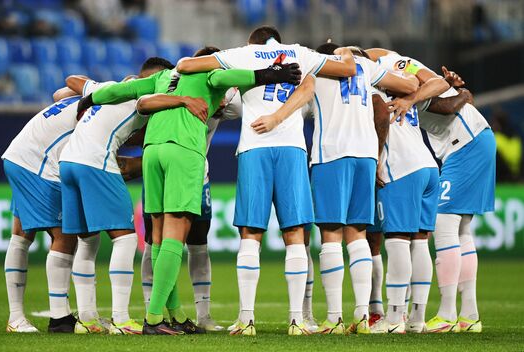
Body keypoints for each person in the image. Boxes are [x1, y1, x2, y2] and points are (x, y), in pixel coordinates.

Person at [79, 54, 302, 335]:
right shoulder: (210, 74)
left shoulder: (162, 77)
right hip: (184, 150)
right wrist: (272, 74)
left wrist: (90, 99)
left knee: (158, 237)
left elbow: (123, 90)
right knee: (175, 232)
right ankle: (154, 318)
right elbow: (234, 78)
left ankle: (175, 315)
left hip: (152, 151)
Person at [176, 25, 358, 336]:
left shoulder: (243, 54)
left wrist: (231, 74)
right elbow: (348, 69)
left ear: (253, 41)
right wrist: (344, 51)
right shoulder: (300, 52)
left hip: (254, 148)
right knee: (295, 234)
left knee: (250, 235)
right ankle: (297, 321)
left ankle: (246, 320)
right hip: (291, 148)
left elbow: (184, 66)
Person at [306, 44, 418, 335]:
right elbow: (408, 84)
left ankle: (334, 318)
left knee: (331, 235)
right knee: (357, 236)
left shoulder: (318, 66)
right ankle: (361, 316)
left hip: (332, 153)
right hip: (366, 156)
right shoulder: (367, 67)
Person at [58, 57, 175, 335]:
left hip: (68, 162)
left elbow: (71, 82)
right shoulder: (147, 97)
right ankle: (121, 319)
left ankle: (87, 320)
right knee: (125, 238)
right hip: (96, 161)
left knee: (87, 241)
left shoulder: (110, 88)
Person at [365, 48, 450, 333]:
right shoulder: (402, 75)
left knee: (398, 240)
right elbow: (439, 82)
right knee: (420, 241)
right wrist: (412, 97)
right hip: (428, 166)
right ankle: (417, 318)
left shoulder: (370, 78)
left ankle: (393, 318)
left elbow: (380, 122)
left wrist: (376, 160)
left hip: (400, 167)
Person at [417, 70, 494, 333]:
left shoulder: (408, 87)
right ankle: (469, 315)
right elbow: (466, 97)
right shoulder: (423, 81)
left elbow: (450, 106)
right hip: (478, 139)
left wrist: (456, 91)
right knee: (462, 230)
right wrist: (458, 90)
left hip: (465, 146)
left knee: (443, 224)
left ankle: (447, 314)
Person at [1, 88, 81, 333]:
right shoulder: (110, 104)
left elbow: (59, 94)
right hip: (39, 163)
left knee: (21, 235)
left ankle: (16, 318)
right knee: (65, 235)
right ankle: (59, 319)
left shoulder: (92, 92)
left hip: (20, 154)